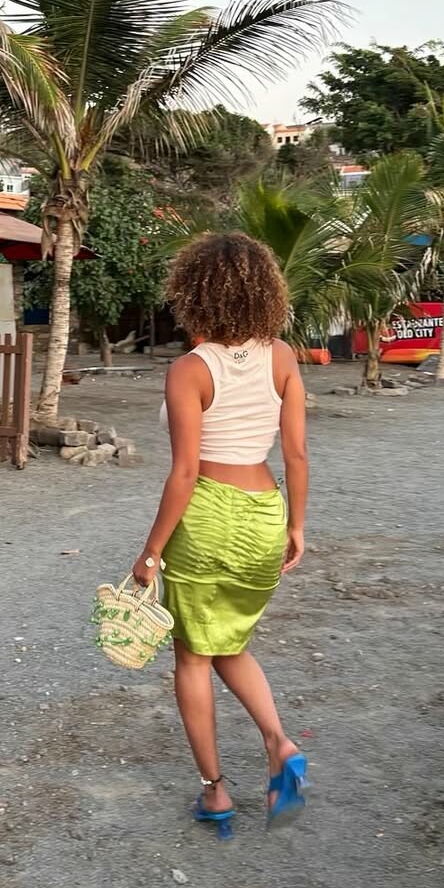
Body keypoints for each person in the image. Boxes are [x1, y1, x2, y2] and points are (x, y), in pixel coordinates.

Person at [130, 232, 309, 831]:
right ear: (264, 292)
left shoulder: (190, 369)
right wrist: (297, 525)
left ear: (194, 292)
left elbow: (184, 472)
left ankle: (216, 793)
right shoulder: (282, 357)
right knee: (228, 640)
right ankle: (279, 743)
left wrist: (150, 551)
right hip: (264, 513)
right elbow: (297, 454)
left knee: (192, 657)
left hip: (207, 515)